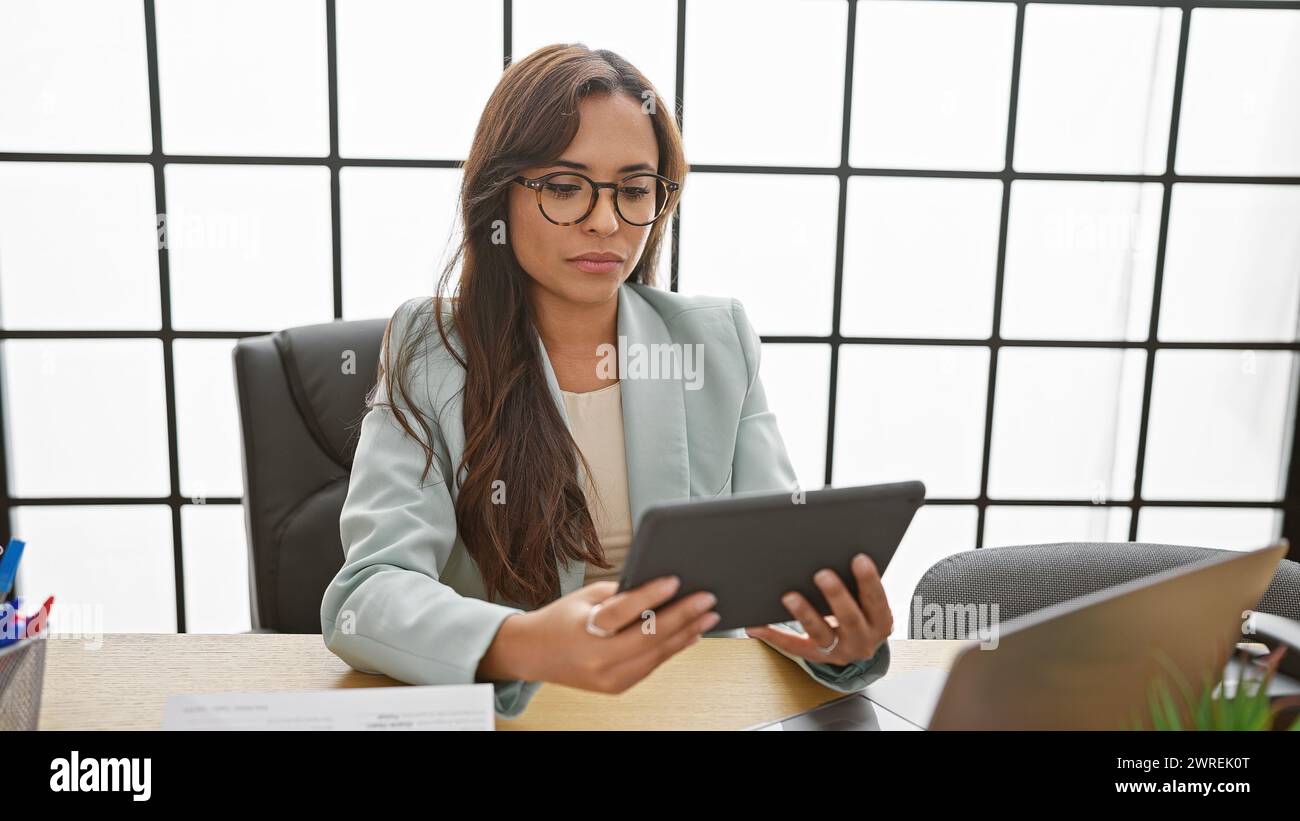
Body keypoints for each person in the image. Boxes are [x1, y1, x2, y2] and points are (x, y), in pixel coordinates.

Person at [320, 43, 892, 719]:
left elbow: (774, 575)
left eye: (633, 189)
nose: (605, 221)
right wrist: (521, 642)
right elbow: (366, 592)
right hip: (521, 712)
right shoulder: (430, 344)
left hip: (690, 709)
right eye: (564, 187)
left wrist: (834, 641)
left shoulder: (714, 338)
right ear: (498, 192)